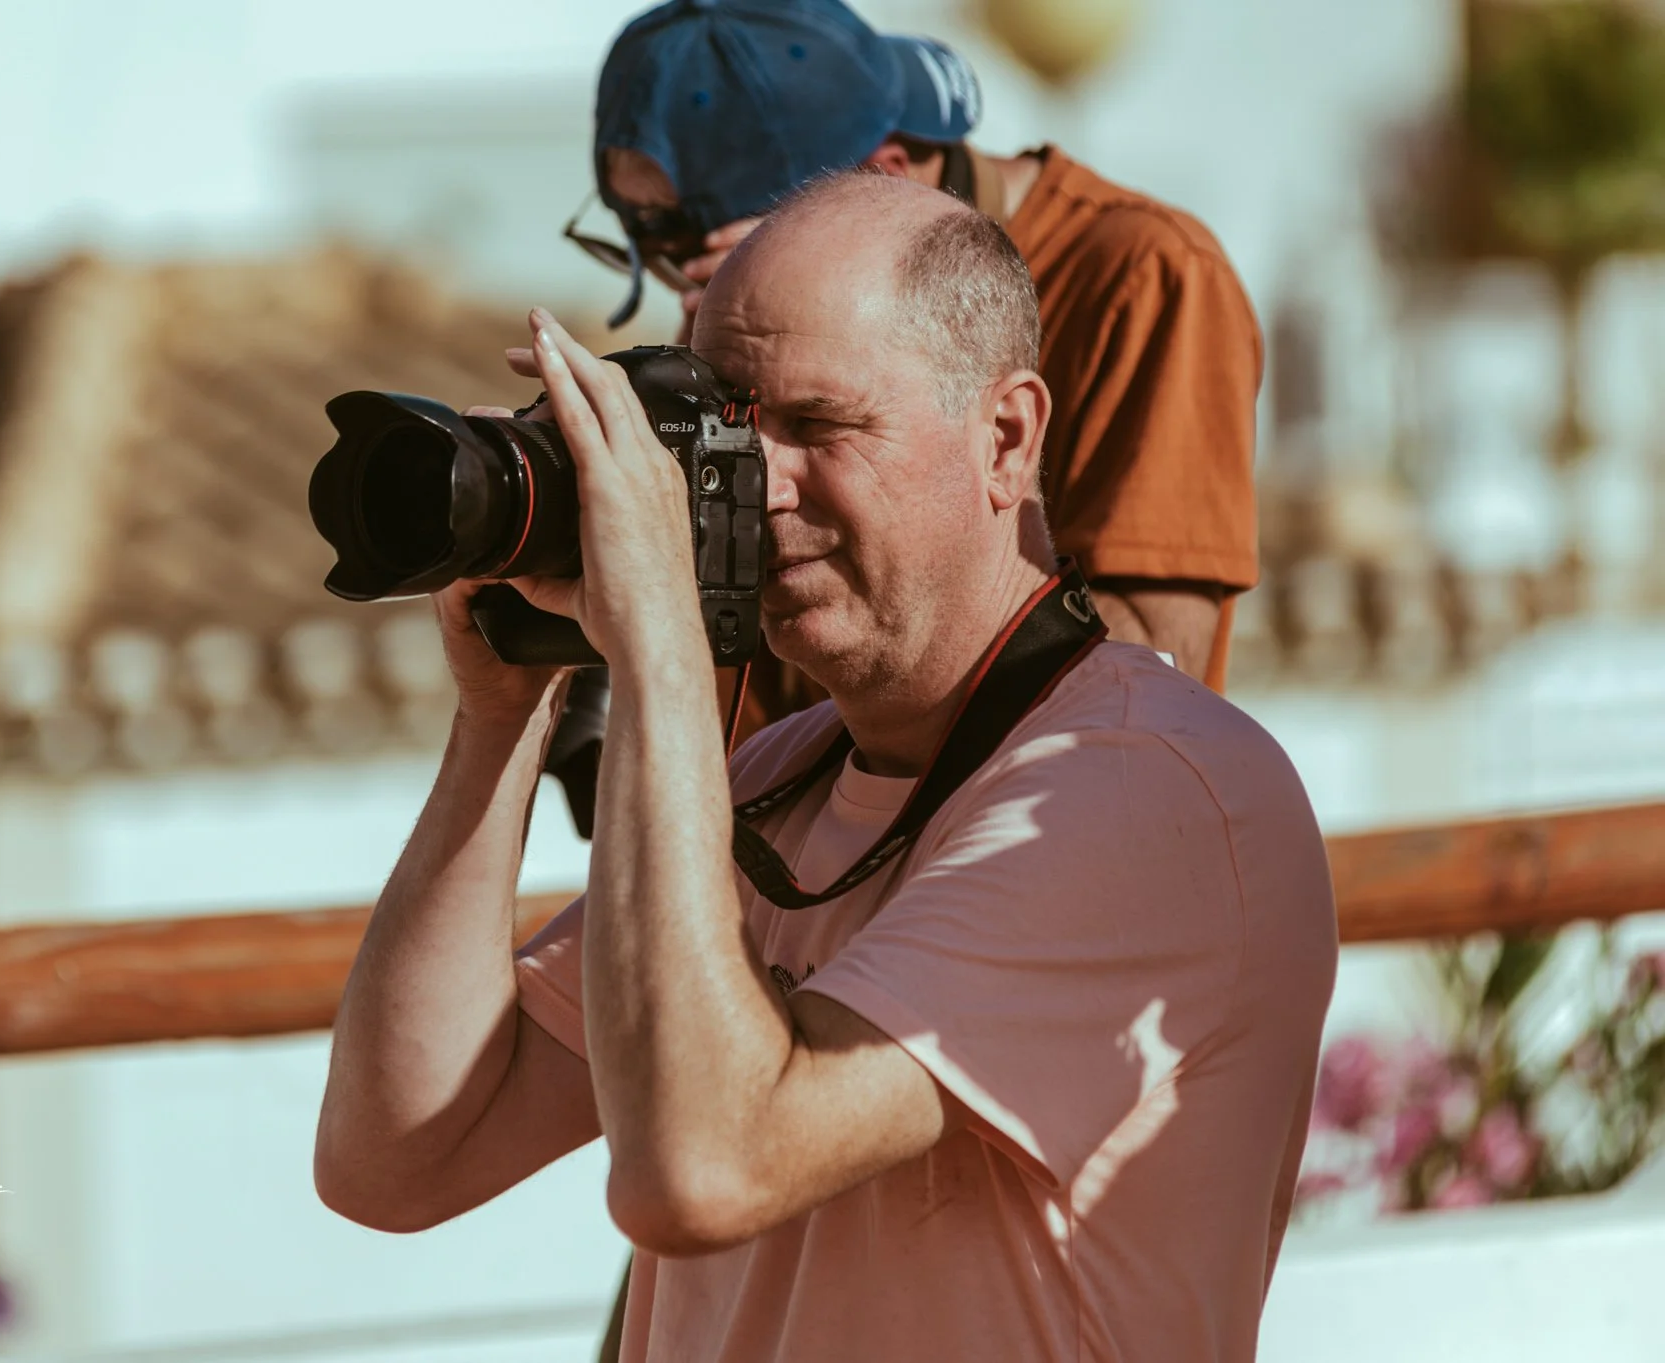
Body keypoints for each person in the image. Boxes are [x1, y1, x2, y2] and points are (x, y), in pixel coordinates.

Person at [314, 172, 1337, 1362]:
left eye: (819, 424)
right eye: (731, 428)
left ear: (1004, 437)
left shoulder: (1140, 792)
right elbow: (395, 1154)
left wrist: (651, 637)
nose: (763, 484)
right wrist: (499, 717)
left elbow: (703, 1169)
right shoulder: (783, 778)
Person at [572, 0, 1261, 690]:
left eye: (732, 257)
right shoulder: (738, 320)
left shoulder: (1142, 275)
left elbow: (1148, 676)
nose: (695, 297)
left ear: (887, 175)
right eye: (665, 263)